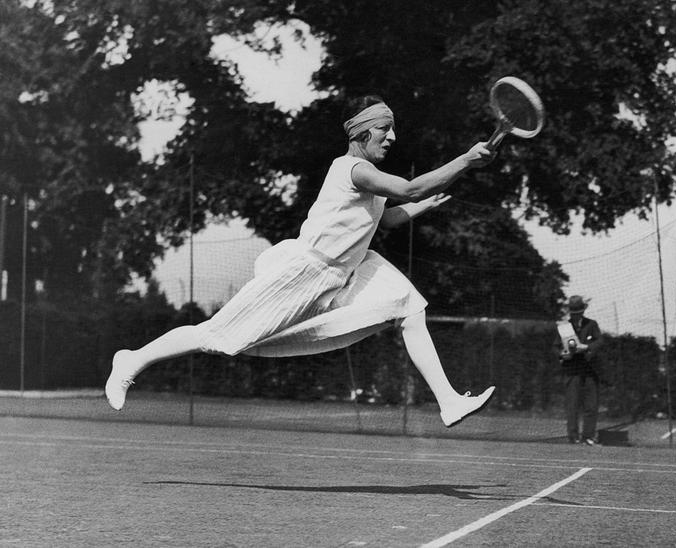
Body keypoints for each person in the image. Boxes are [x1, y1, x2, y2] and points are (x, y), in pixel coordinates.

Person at [106, 94, 496, 427]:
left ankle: (448, 401)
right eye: (384, 129)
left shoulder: (371, 179)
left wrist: (426, 205)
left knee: (411, 308)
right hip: (306, 272)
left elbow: (389, 218)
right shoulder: (354, 169)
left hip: (347, 272)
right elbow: (409, 188)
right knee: (217, 338)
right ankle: (131, 359)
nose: (392, 136)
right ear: (362, 132)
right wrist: (463, 160)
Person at [556, 295, 603, 445]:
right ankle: (573, 437)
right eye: (574, 312)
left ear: (583, 311)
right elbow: (555, 347)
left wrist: (587, 347)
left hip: (589, 371)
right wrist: (563, 355)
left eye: (579, 312)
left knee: (591, 405)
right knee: (572, 405)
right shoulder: (564, 327)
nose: (576, 315)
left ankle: (588, 436)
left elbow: (599, 341)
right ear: (570, 312)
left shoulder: (592, 324)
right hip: (572, 370)